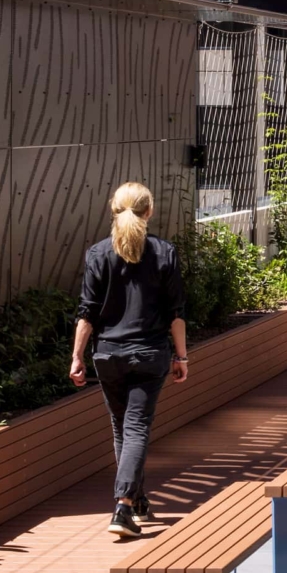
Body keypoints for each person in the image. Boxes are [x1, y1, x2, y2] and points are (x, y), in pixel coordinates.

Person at [69, 182, 188, 541]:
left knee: (123, 427)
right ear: (148, 212)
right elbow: (176, 314)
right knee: (135, 427)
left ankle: (135, 500)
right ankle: (123, 506)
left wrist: (76, 357)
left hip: (108, 355)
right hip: (150, 354)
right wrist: (181, 355)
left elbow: (86, 314)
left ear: (113, 210)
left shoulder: (97, 254)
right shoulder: (164, 253)